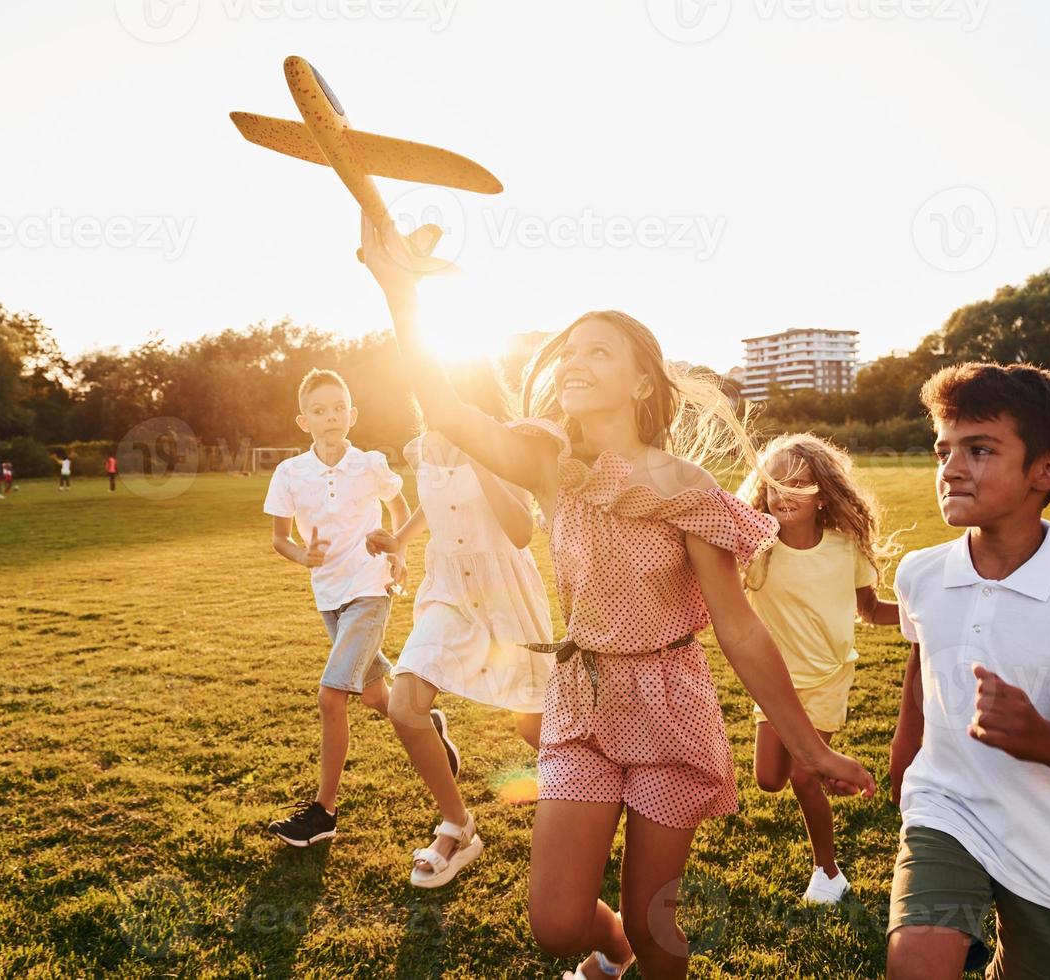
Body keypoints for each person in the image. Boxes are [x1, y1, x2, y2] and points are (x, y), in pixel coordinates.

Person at [360, 213, 873, 980]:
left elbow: (737, 628)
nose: (574, 361)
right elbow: (446, 409)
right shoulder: (546, 460)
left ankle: (642, 955)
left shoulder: (686, 489)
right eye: (569, 351)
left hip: (670, 703)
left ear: (639, 381)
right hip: (582, 698)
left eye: (598, 351)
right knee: (558, 921)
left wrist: (810, 745)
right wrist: (398, 290)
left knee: (652, 917)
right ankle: (616, 957)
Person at [886, 363, 1050, 980]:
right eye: (942, 450)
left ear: (1047, 470)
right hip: (944, 809)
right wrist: (905, 746)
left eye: (978, 450)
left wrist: (1039, 736)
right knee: (914, 967)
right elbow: (924, 656)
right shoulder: (920, 573)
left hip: (1049, 842)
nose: (950, 469)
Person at [364, 360, 554, 888]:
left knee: (534, 726)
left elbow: (519, 531)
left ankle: (600, 798)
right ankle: (458, 826)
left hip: (506, 595)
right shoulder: (423, 447)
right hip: (449, 591)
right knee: (404, 706)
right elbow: (434, 501)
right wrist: (400, 539)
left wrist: (479, 451)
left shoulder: (506, 444)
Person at [262, 368, 427, 848]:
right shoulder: (289, 473)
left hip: (370, 589)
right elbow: (279, 538)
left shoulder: (371, 464)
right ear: (303, 420)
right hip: (328, 595)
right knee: (376, 697)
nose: (331, 416)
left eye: (339, 408)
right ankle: (426, 722)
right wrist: (302, 556)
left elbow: (399, 512)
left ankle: (323, 813)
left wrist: (397, 551)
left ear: (352, 414)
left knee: (331, 697)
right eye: (320, 410)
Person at [737, 433, 900, 904]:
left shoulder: (844, 548)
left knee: (802, 777)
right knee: (769, 779)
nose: (784, 493)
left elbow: (868, 610)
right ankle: (835, 776)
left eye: (799, 483)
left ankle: (828, 874)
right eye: (774, 484)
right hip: (775, 683)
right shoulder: (755, 551)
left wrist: (920, 616)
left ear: (822, 494)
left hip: (829, 675)